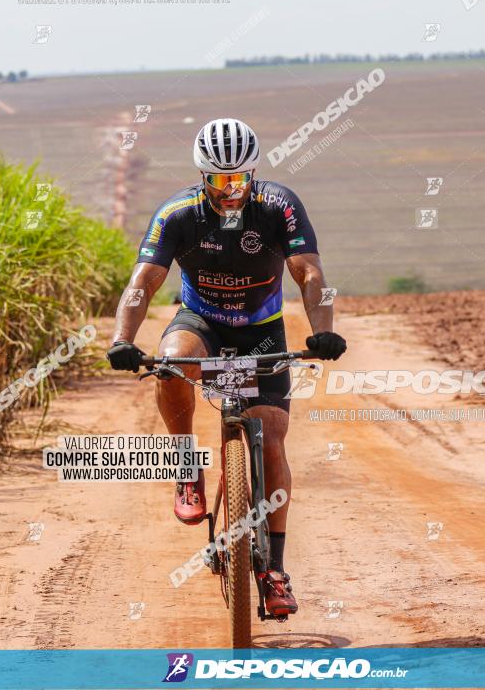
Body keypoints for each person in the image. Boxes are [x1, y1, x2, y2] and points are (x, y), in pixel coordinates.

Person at [107, 117, 346, 615]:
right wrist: (122, 339)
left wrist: (321, 328)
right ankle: (185, 466)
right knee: (171, 364)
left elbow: (309, 273)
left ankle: (275, 570)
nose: (231, 191)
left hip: (262, 329)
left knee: (273, 441)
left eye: (240, 179)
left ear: (253, 173)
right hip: (203, 321)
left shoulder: (279, 206)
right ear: (203, 177)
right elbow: (142, 283)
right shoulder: (176, 214)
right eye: (220, 181)